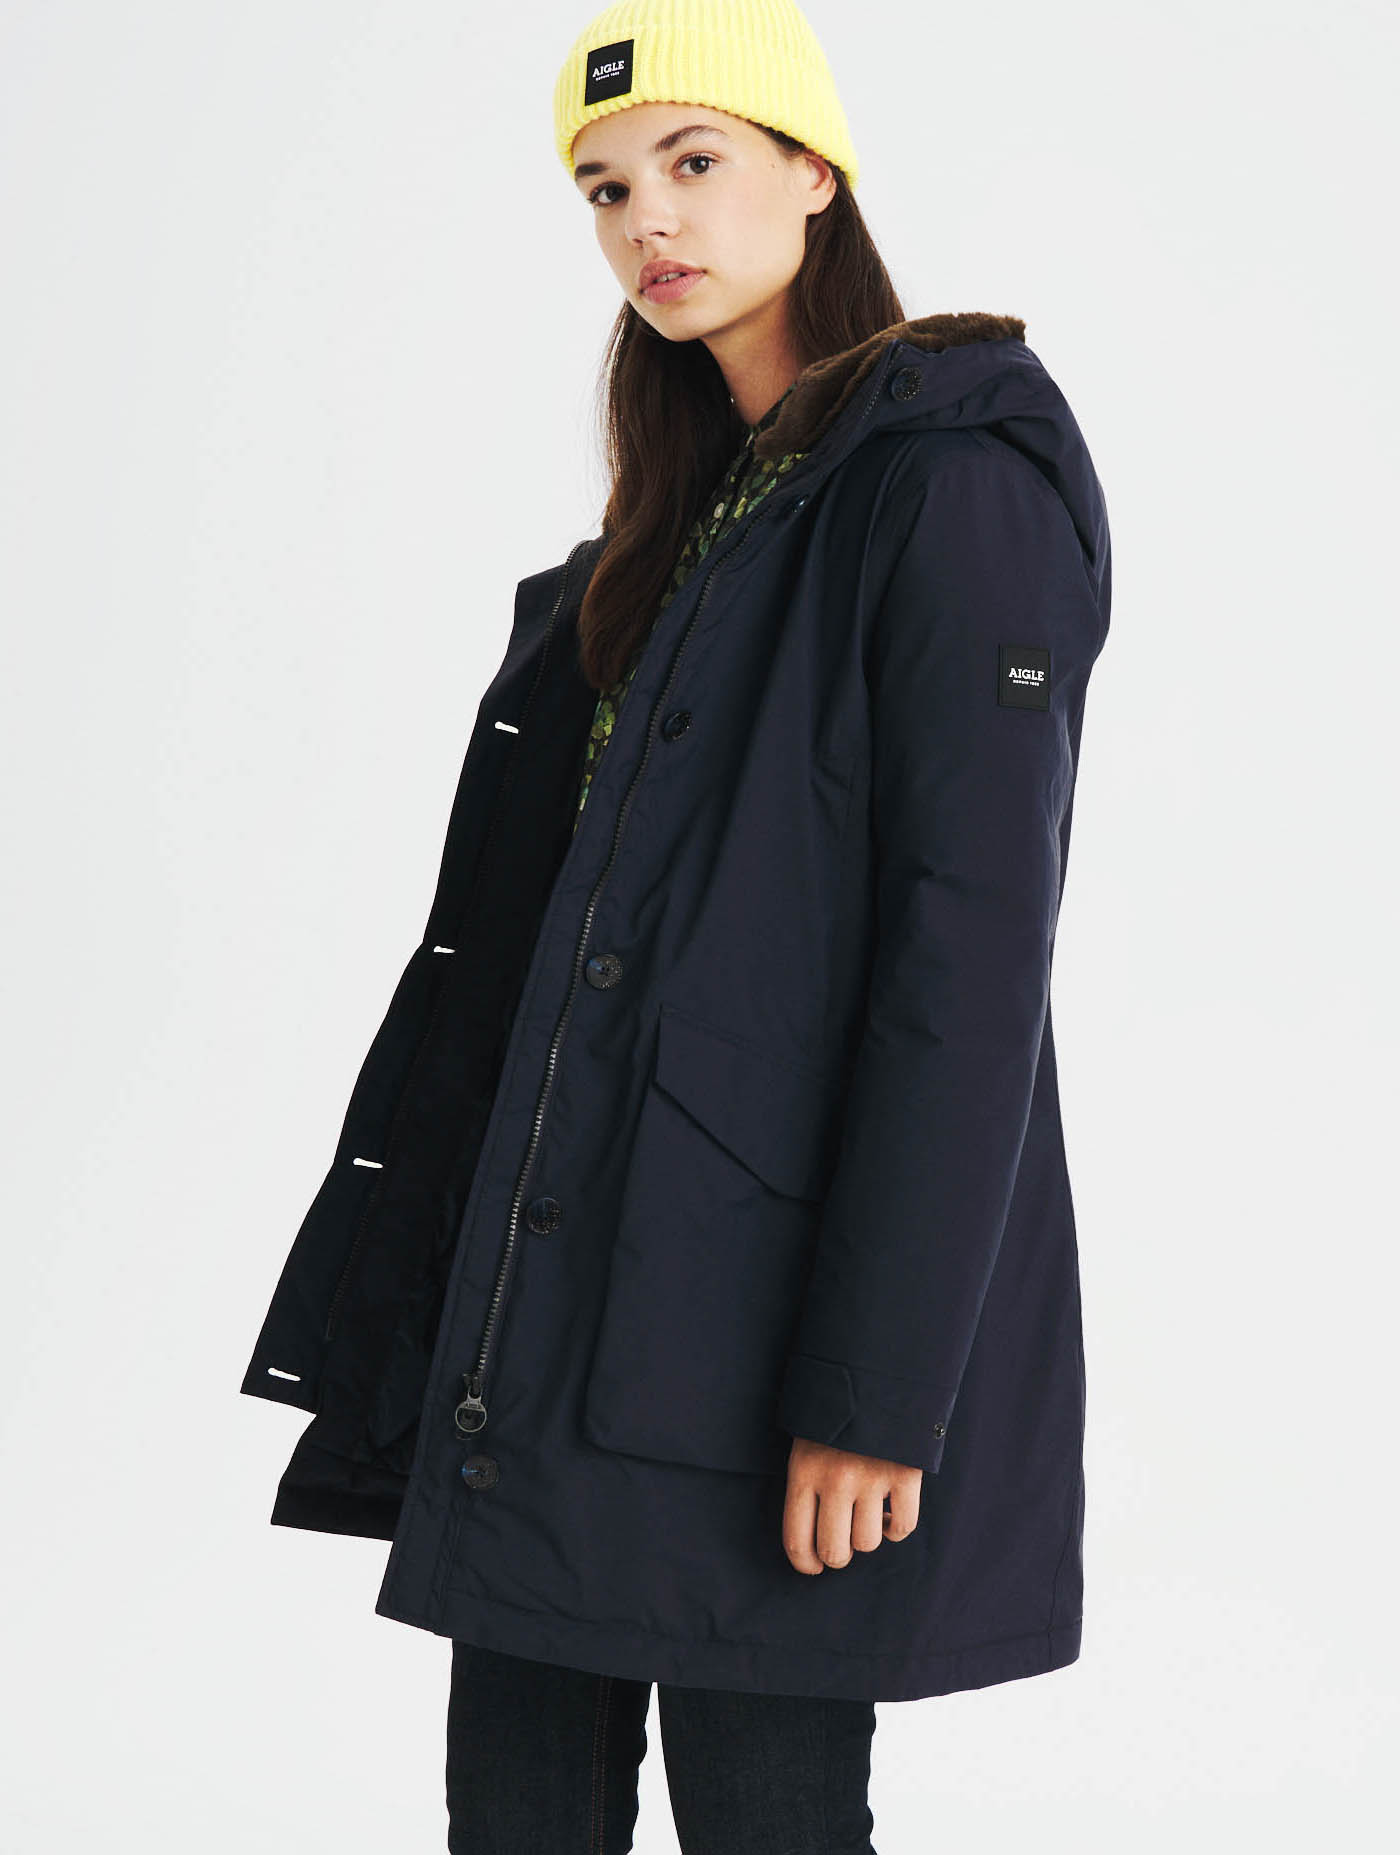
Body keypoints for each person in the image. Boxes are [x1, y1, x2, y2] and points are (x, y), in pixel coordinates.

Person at [239, 3, 1113, 1849]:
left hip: (773, 1341)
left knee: (766, 1816)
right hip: (558, 1319)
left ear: (815, 171)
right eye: (605, 187)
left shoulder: (951, 492)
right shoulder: (671, 538)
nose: (650, 220)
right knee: (513, 1815)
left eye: (696, 161)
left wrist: (876, 1392)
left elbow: (967, 969)